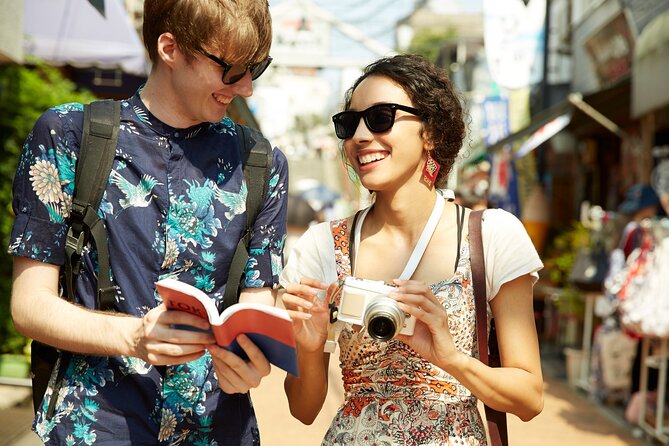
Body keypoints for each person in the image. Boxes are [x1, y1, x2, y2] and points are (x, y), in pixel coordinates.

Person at [9, 1, 288, 444]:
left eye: (257, 68)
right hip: (95, 426)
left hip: (218, 429)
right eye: (231, 70)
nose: (247, 88)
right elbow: (28, 305)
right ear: (170, 48)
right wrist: (133, 335)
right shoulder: (70, 135)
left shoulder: (260, 162)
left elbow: (258, 311)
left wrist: (249, 365)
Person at [279, 54, 544, 445]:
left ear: (432, 132)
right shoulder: (320, 247)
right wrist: (309, 344)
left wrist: (452, 359)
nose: (360, 137)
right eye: (349, 124)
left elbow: (529, 397)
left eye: (381, 117)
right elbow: (303, 411)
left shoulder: (491, 236)